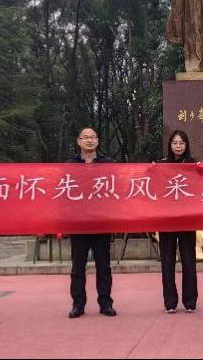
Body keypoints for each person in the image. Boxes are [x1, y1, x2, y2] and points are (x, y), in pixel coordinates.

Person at [66, 127, 117, 319]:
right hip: (78, 223)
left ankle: (106, 303)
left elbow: (117, 189)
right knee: (77, 267)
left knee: (104, 266)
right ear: (78, 141)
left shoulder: (108, 163)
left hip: (102, 222)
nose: (89, 140)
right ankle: (78, 305)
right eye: (85, 137)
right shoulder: (70, 165)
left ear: (98, 140)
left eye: (92, 137)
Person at [157, 130, 199, 313]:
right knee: (167, 261)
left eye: (181, 143)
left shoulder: (194, 164)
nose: (178, 146)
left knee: (189, 261)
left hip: (187, 219)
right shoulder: (161, 165)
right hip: (166, 219)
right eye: (175, 143)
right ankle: (170, 302)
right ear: (170, 145)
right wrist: (152, 169)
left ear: (186, 145)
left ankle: (190, 301)